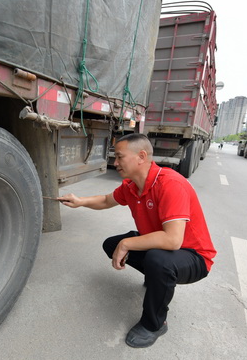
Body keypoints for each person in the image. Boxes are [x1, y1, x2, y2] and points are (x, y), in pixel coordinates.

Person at [58, 133, 216, 348]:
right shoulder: (131, 186)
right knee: (112, 245)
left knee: (157, 260)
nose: (115, 162)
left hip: (194, 257)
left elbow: (172, 240)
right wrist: (79, 201)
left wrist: (128, 244)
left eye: (120, 157)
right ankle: (157, 279)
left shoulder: (170, 184)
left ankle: (154, 324)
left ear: (141, 156)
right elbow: (106, 201)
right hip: (162, 248)